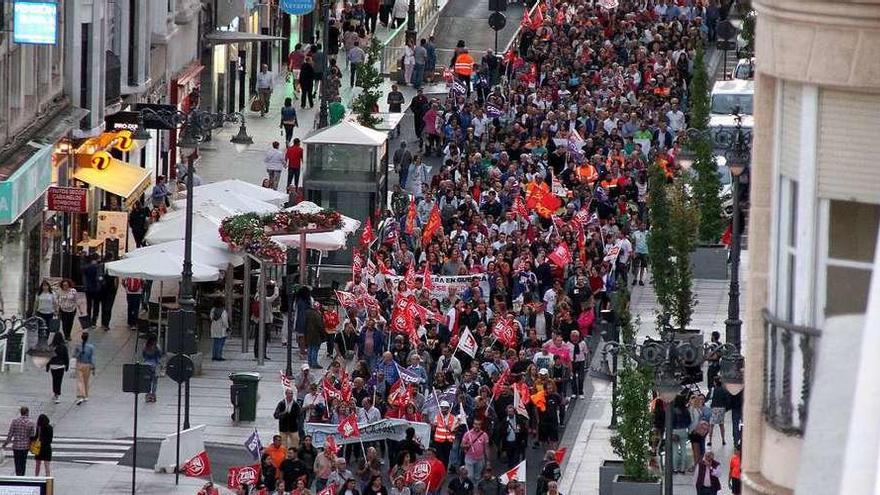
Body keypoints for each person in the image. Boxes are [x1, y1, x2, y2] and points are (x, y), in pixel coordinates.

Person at [3, 406, 35, 476]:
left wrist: (5, 444)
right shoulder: (31, 422)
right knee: (23, 463)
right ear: (27, 412)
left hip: (16, 446)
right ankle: (22, 476)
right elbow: (32, 436)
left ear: (20, 412)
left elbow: (10, 434)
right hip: (25, 446)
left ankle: (18, 475)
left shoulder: (15, 421)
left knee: (17, 463)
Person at [73, 331, 95, 405]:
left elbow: (74, 355)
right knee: (86, 381)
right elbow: (91, 358)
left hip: (79, 364)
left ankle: (81, 395)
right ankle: (86, 395)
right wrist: (93, 366)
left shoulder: (77, 346)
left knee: (80, 380)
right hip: (87, 365)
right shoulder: (91, 347)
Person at [46, 332, 69, 403]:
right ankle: (57, 394)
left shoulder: (51, 346)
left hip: (53, 366)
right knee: (59, 381)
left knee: (54, 379)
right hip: (61, 366)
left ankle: (55, 393)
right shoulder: (63, 347)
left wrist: (47, 366)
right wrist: (67, 365)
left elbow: (48, 357)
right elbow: (66, 357)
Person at [82, 254, 103, 329]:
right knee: (96, 305)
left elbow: (84, 278)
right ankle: (94, 321)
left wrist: (85, 286)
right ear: (96, 259)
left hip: (88, 289)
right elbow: (99, 277)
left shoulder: (86, 267)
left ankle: (88, 320)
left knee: (89, 305)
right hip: (96, 289)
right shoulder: (98, 267)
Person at [142, 335, 164, 402]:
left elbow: (143, 355)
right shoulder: (157, 347)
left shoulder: (145, 346)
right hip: (155, 365)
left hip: (146, 365)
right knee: (154, 382)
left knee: (147, 381)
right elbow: (160, 355)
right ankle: (153, 395)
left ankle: (148, 395)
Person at [305, 301, 325, 368]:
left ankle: (310, 362)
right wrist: (323, 334)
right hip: (316, 334)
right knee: (315, 348)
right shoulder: (317, 314)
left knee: (310, 348)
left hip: (308, 333)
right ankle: (314, 363)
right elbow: (320, 325)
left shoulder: (307, 312)